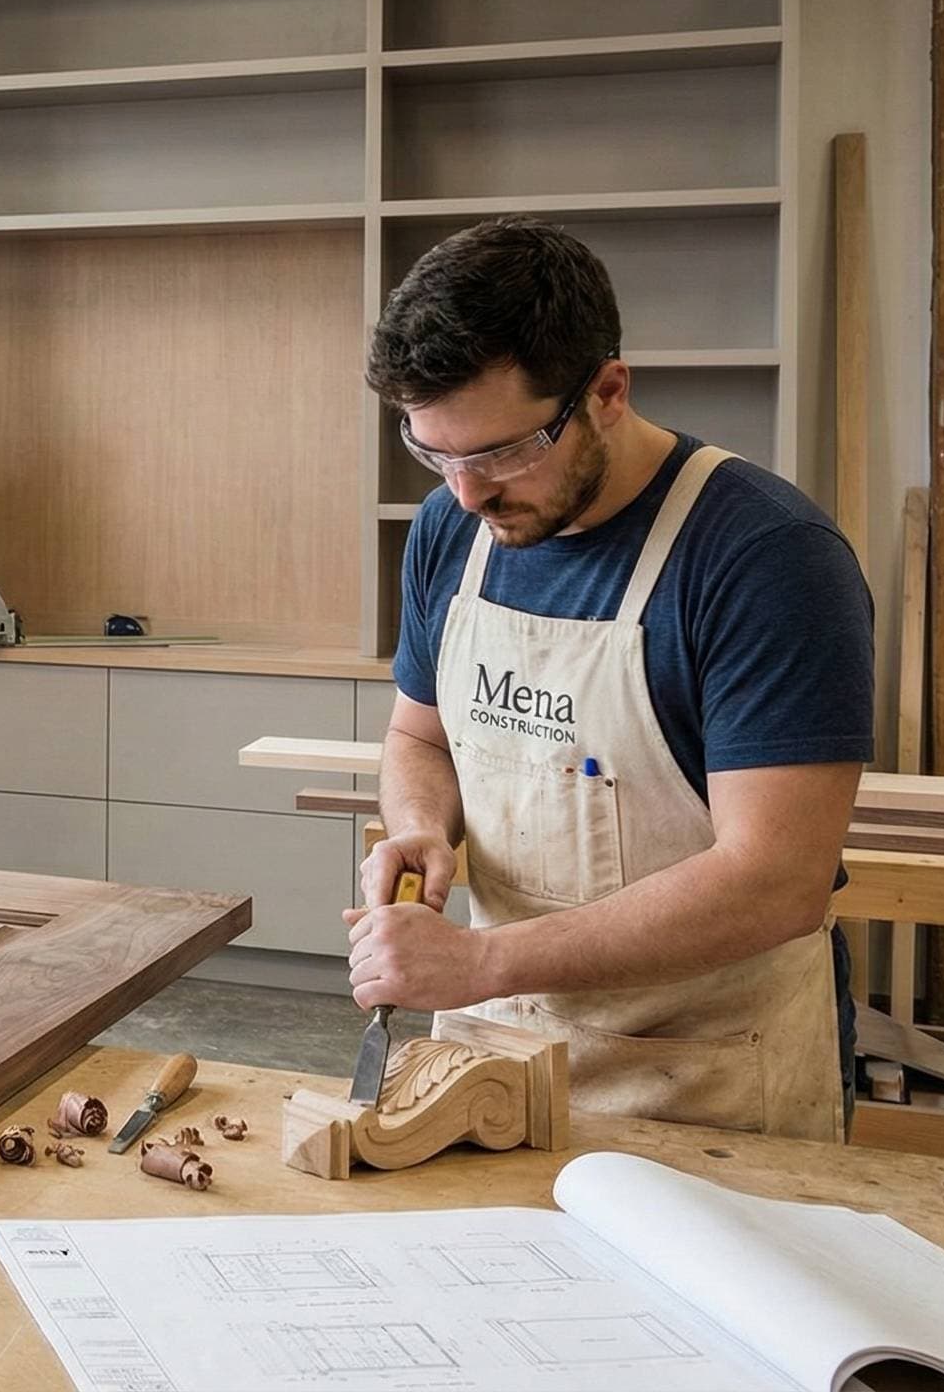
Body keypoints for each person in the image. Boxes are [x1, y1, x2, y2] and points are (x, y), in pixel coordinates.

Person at [349, 216, 871, 1140]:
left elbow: (776, 879)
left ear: (607, 392)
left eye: (503, 452)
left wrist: (482, 961)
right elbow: (419, 736)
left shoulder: (767, 559)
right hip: (491, 1051)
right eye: (435, 453)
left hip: (708, 1073)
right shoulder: (451, 531)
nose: (468, 492)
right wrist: (422, 829)